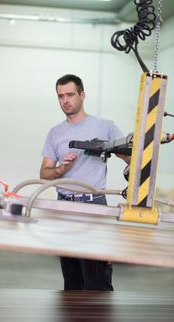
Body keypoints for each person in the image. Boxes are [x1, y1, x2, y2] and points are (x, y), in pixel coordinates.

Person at [40, 74, 129, 291]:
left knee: (96, 278)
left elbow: (131, 158)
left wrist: (141, 156)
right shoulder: (55, 133)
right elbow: (44, 173)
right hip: (64, 207)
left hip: (94, 207)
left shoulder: (105, 127)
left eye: (70, 95)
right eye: (60, 96)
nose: (65, 101)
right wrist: (62, 169)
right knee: (72, 279)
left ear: (82, 95)